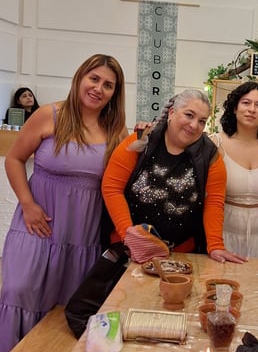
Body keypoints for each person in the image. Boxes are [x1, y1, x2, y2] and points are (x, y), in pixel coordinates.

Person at [0, 55, 127, 352]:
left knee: (64, 305)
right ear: (80, 78)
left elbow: (119, 183)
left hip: (81, 236)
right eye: (94, 79)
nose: (98, 88)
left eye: (108, 85)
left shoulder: (115, 132)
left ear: (115, 93)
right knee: (20, 291)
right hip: (37, 225)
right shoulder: (49, 115)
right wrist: (27, 203)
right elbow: (14, 159)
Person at [101, 88, 246, 264]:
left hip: (182, 256)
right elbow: (112, 188)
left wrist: (215, 245)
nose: (194, 125)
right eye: (189, 115)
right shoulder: (140, 140)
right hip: (128, 252)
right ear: (171, 112)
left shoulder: (210, 155)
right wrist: (129, 236)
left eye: (202, 121)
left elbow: (214, 202)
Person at [210, 81, 258, 259]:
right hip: (224, 234)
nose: (252, 109)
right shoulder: (215, 144)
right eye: (246, 103)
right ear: (235, 108)